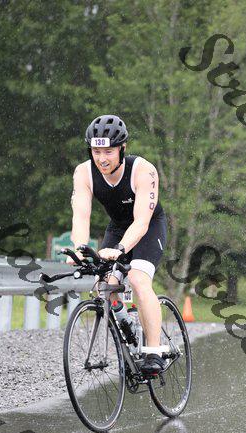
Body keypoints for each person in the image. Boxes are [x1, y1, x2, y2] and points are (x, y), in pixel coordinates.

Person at [69, 114, 167, 374]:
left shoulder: (143, 170)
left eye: (109, 152)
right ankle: (127, 325)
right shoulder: (84, 173)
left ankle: (154, 351)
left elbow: (141, 222)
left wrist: (121, 249)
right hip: (117, 227)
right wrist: (79, 248)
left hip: (148, 227)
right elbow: (81, 215)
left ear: (122, 148)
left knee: (137, 279)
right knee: (103, 284)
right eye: (96, 151)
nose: (102, 159)